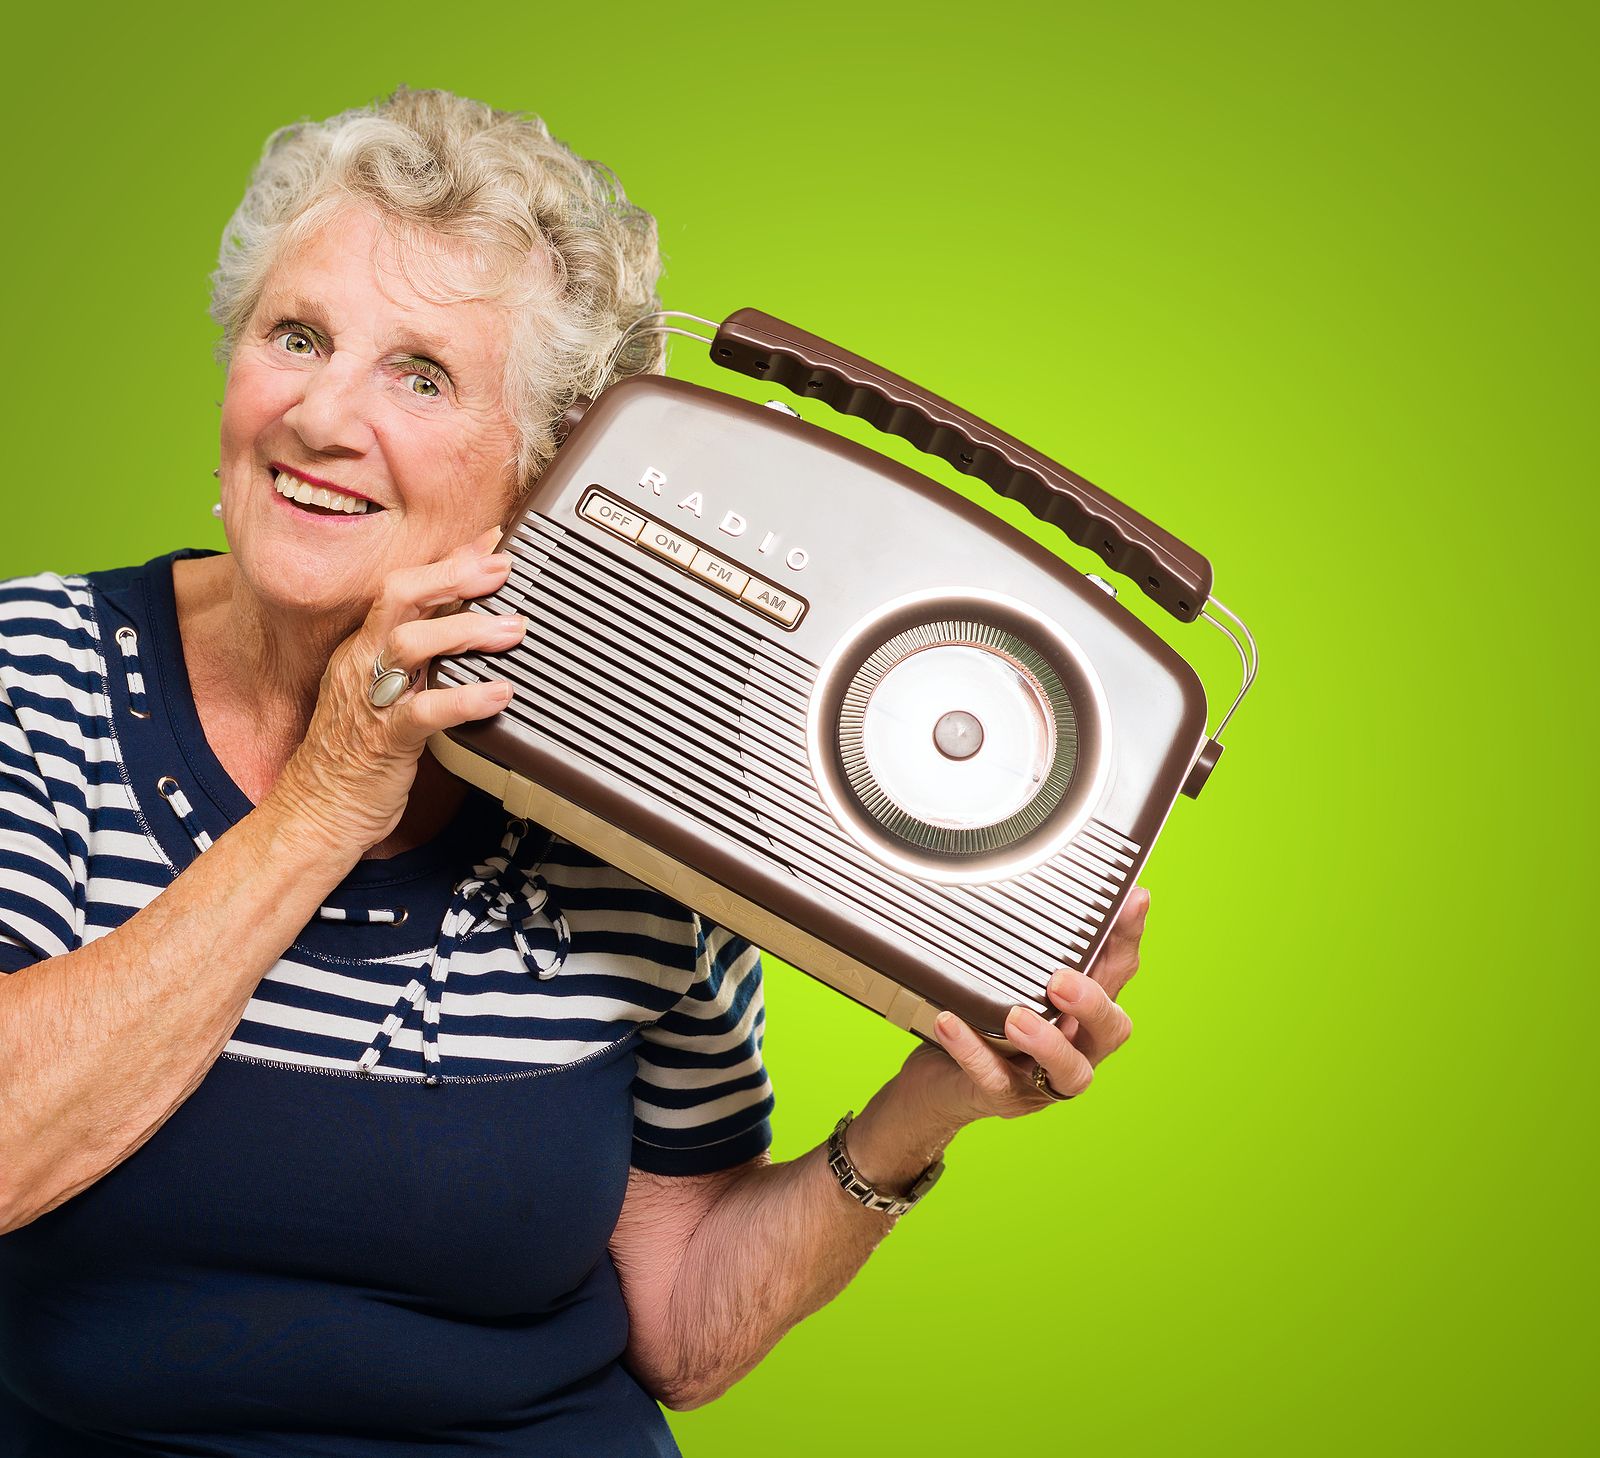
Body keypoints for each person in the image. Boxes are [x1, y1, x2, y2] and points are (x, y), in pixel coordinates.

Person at [0, 87, 1146, 1456]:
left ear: (555, 466)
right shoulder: (37, 676)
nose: (317, 413)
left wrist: (927, 1106)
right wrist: (322, 799)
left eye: (420, 375)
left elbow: (679, 1323)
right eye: (294, 335)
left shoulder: (639, 783)